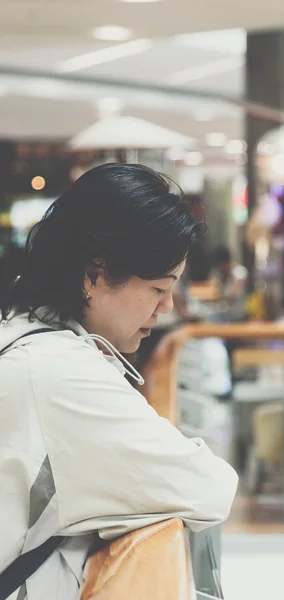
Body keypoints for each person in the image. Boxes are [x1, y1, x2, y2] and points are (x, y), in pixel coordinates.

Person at [0, 164, 238, 599]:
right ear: (95, 274)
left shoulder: (22, 333)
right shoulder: (61, 373)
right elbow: (210, 488)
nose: (167, 307)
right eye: (158, 288)